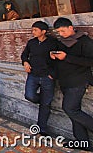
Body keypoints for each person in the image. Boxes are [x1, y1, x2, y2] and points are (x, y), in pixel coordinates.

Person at [51, 17, 93, 151]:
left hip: (78, 80)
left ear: (71, 27)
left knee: (70, 109)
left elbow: (89, 62)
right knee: (74, 112)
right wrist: (54, 56)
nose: (61, 35)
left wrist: (66, 57)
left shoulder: (84, 41)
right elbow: (60, 61)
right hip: (65, 81)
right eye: (59, 32)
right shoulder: (61, 42)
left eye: (63, 31)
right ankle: (82, 141)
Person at [21, 21, 57, 135]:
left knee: (45, 105)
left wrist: (53, 74)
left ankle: (42, 128)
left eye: (35, 30)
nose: (33, 32)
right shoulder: (32, 43)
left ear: (43, 31)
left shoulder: (53, 43)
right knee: (29, 95)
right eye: (32, 30)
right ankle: (44, 101)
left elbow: (59, 60)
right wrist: (25, 62)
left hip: (47, 76)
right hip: (33, 74)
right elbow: (24, 54)